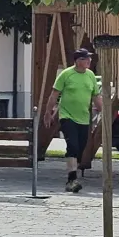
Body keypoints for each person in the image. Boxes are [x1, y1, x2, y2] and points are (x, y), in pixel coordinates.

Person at [46, 48, 104, 193]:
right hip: (67, 116)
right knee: (72, 145)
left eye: (89, 58)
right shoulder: (66, 74)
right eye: (86, 59)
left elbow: (96, 96)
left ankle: (73, 175)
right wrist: (48, 113)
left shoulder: (90, 75)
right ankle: (71, 180)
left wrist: (105, 112)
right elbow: (54, 95)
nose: (89, 61)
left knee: (80, 148)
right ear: (78, 61)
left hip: (84, 118)